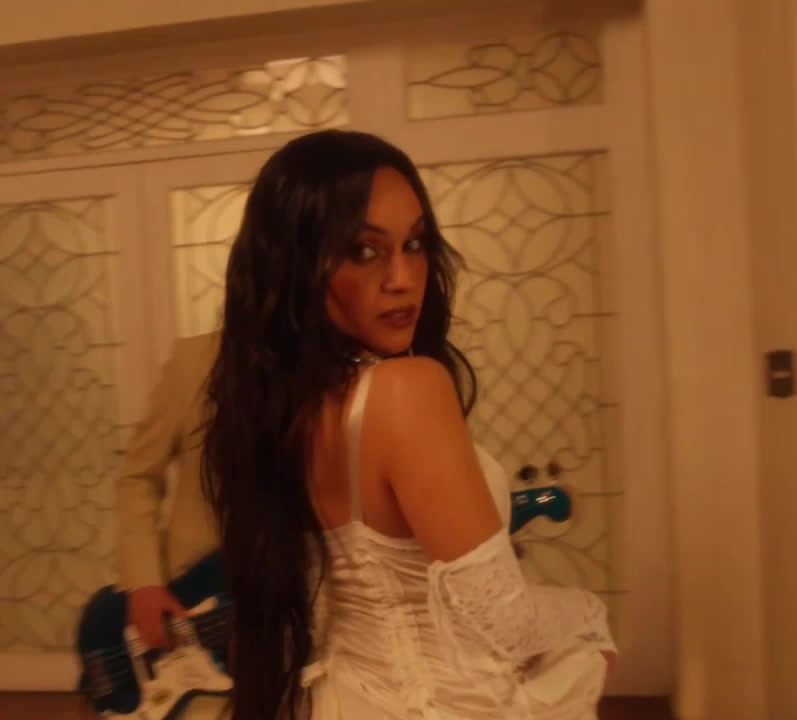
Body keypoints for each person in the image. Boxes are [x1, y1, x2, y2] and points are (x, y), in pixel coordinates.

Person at [201, 130, 616, 720]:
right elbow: (506, 623)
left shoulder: (281, 411)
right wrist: (589, 615)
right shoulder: (406, 389)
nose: (402, 277)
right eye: (363, 251)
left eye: (415, 244)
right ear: (297, 266)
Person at [116, 330, 219, 648]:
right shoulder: (195, 362)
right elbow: (139, 477)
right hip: (196, 594)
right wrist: (144, 582)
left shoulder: (336, 371)